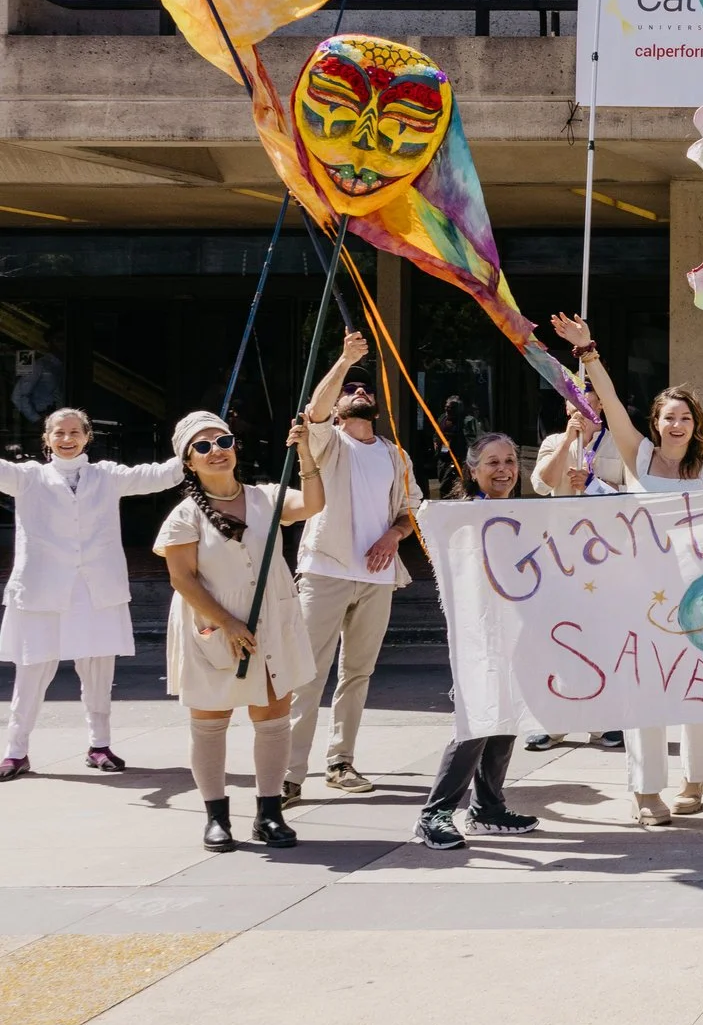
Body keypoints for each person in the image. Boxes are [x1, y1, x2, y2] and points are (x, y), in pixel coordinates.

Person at [550, 311, 703, 826]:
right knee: (643, 689)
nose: (676, 424)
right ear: (656, 423)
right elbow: (612, 403)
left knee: (697, 686)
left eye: (685, 417)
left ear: (695, 423)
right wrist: (587, 351)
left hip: (700, 598)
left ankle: (696, 778)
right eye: (668, 417)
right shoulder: (636, 456)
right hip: (642, 593)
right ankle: (646, 791)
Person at [157, 410, 323, 850]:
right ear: (188, 461)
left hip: (270, 617)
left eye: (224, 441)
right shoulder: (185, 515)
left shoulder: (265, 497)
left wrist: (305, 451)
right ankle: (216, 816)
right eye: (204, 446)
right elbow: (182, 578)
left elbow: (312, 504)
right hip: (213, 623)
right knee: (211, 719)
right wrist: (227, 622)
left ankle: (269, 814)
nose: (217, 452)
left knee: (272, 715)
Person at [0, 406, 184, 780]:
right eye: (59, 433)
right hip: (41, 590)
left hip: (95, 589)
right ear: (46, 439)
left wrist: (195, 447)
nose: (67, 440)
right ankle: (16, 752)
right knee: (32, 670)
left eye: (74, 432)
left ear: (87, 437)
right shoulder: (27, 477)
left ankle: (99, 745)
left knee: (98, 670)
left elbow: (160, 475)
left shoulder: (106, 476)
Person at [285, 332, 419, 801]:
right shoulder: (328, 444)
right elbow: (316, 411)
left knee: (357, 673)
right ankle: (289, 773)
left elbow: (409, 511)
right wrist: (344, 360)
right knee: (307, 673)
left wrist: (393, 534)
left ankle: (340, 762)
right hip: (326, 570)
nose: (359, 392)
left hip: (377, 578)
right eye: (350, 390)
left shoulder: (395, 454)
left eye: (365, 389)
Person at [411, 433, 543, 850]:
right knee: (477, 721)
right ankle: (435, 813)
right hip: (480, 634)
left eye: (509, 461)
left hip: (517, 633)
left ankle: (488, 806)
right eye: (492, 463)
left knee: (506, 718)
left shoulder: (524, 515)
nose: (503, 469)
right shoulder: (463, 517)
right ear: (472, 470)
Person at [519, 409, 625, 755]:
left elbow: (634, 496)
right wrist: (567, 439)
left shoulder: (620, 444)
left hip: (605, 556)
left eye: (590, 404)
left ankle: (603, 723)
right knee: (558, 637)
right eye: (576, 404)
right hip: (560, 556)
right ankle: (555, 723)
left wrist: (594, 486)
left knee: (601, 640)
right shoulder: (554, 441)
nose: (583, 412)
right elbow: (541, 484)